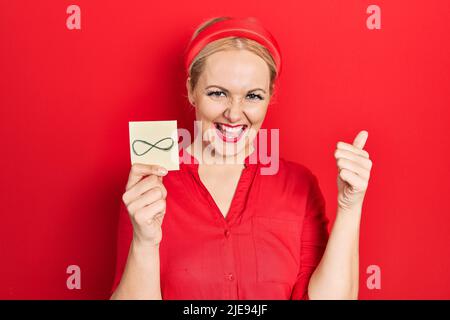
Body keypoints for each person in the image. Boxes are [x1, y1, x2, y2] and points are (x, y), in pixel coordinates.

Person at [110, 16, 373, 300]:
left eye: (253, 96)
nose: (234, 114)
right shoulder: (151, 185)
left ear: (270, 95)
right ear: (191, 91)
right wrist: (144, 242)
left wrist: (350, 206)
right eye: (217, 93)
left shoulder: (299, 185)